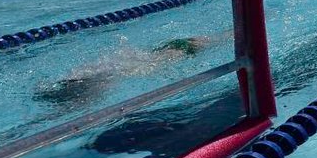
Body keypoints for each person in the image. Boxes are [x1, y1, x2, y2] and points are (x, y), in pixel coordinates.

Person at [36, 34, 223, 107]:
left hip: (175, 47)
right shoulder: (190, 49)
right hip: (177, 49)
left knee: (125, 67)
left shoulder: (188, 46)